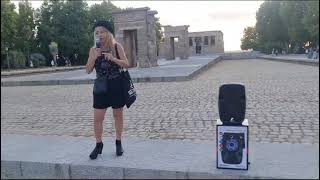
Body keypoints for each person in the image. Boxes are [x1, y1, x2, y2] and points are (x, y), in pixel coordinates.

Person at [85, 20, 130, 160]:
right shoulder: (93, 50)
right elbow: (87, 70)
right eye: (97, 32)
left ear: (108, 33)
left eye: (102, 31)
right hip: (100, 86)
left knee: (118, 115)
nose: (99, 35)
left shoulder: (117, 47)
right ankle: (99, 145)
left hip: (116, 84)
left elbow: (127, 64)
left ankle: (118, 142)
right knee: (98, 118)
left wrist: (114, 58)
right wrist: (93, 58)